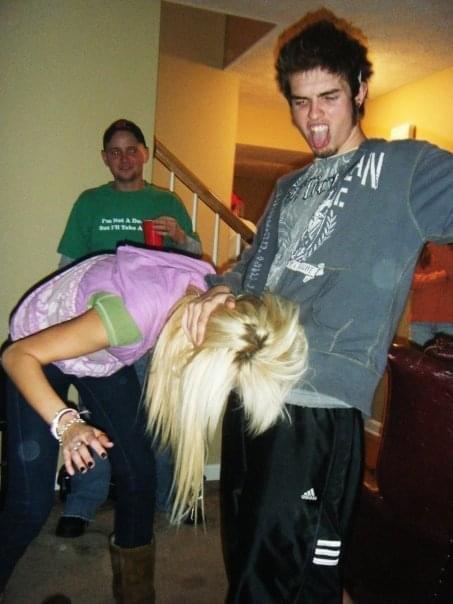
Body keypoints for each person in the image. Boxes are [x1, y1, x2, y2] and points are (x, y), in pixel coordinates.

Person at [182, 10, 453, 604]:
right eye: (300, 102)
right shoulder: (290, 186)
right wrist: (223, 287)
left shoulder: (406, 170)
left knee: (292, 582)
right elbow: (255, 270)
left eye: (329, 97)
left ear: (360, 91)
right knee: (248, 564)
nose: (314, 118)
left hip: (317, 407)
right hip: (252, 390)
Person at [0, 244, 214, 601]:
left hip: (99, 352)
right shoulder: (130, 317)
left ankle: (136, 595)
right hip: (36, 348)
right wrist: (68, 424)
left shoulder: (214, 294)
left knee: (138, 470)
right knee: (31, 505)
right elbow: (16, 356)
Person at [56, 118, 201, 538]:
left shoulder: (166, 201)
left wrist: (181, 237)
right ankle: (83, 503)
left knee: (159, 416)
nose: (124, 158)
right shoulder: (89, 202)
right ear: (105, 158)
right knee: (94, 416)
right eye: (115, 152)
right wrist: (67, 318)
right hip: (97, 328)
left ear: (144, 154)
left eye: (131, 150)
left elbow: (194, 261)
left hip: (153, 330)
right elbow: (67, 265)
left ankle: (169, 499)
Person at [410, 242, 453, 346]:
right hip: (421, 319)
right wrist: (441, 276)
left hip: (448, 320)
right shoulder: (419, 249)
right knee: (418, 355)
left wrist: (435, 245)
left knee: (447, 357)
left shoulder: (444, 250)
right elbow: (411, 282)